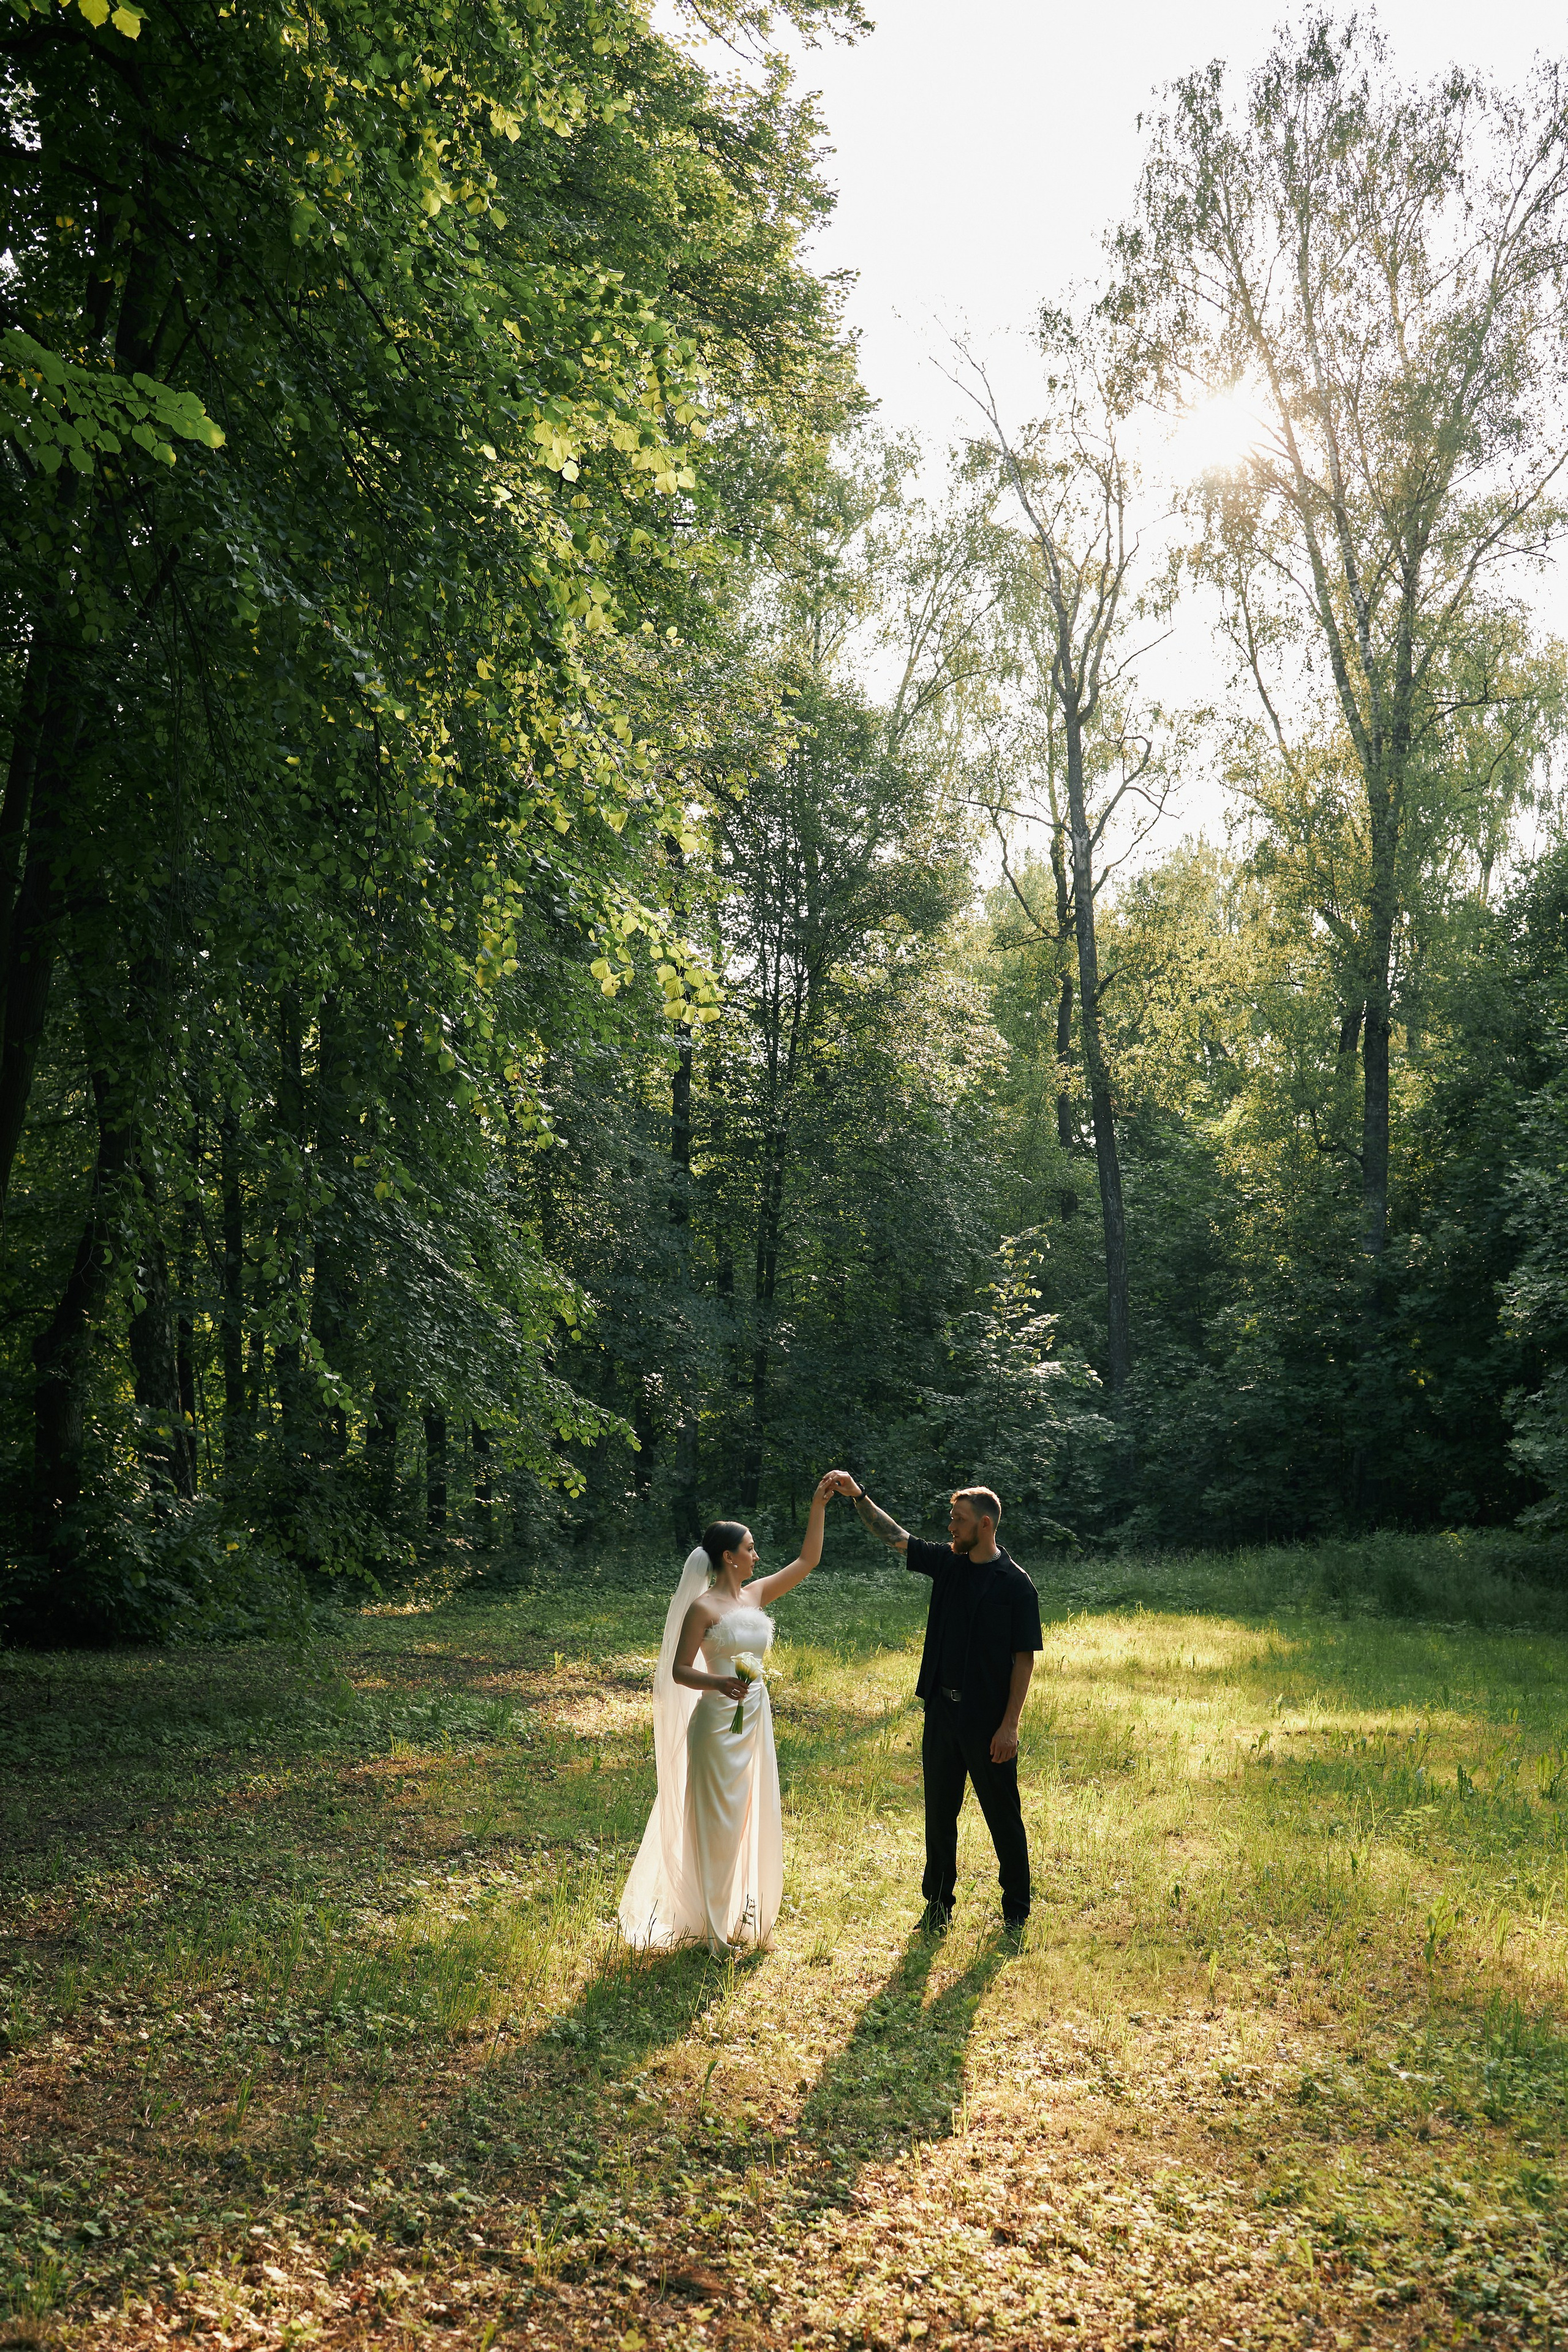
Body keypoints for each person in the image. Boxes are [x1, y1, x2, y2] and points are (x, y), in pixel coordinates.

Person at [619, 1472, 853, 1954]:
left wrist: (819, 1504)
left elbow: (808, 1560)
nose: (756, 1556)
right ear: (729, 1557)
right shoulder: (703, 1608)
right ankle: (709, 1925)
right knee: (717, 1820)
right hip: (715, 1723)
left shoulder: (755, 1594)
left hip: (753, 1718)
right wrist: (719, 1682)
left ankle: (743, 1915)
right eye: (750, 1548)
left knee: (749, 1814)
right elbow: (680, 1670)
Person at [842, 1478, 1040, 1937]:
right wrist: (858, 1496)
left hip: (988, 1721)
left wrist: (1010, 1726)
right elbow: (895, 1537)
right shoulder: (948, 1563)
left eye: (959, 1520)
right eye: (952, 1519)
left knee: (1002, 1815)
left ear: (985, 1524)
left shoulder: (1015, 1585)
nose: (951, 1527)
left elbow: (1024, 1660)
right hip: (942, 1713)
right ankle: (938, 1906)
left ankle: (1016, 1909)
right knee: (939, 1815)